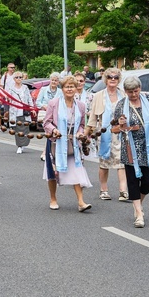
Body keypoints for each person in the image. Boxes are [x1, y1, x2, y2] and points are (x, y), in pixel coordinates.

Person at [112, 75, 149, 228]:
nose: (133, 94)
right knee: (132, 181)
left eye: (136, 91)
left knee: (148, 180)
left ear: (140, 88)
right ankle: (139, 213)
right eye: (130, 92)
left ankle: (138, 203)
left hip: (148, 146)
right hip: (130, 147)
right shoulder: (121, 105)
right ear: (125, 91)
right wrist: (120, 124)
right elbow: (114, 129)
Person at [43, 76, 92, 212]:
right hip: (56, 142)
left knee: (77, 169)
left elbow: (82, 124)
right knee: (52, 172)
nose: (69, 89)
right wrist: (54, 130)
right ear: (62, 89)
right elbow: (46, 122)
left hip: (73, 144)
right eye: (67, 86)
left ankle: (81, 202)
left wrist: (80, 133)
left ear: (76, 89)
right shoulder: (54, 103)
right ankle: (53, 198)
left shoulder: (81, 106)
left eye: (72, 86)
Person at [86, 68, 129, 202]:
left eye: (116, 77)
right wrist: (88, 133)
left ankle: (123, 191)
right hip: (104, 133)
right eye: (110, 77)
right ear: (105, 79)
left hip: (121, 133)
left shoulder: (123, 94)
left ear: (119, 80)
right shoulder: (99, 95)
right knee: (104, 163)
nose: (113, 79)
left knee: (122, 162)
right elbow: (93, 116)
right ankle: (104, 190)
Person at [36, 72, 61, 161]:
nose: (54, 82)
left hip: (56, 116)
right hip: (46, 116)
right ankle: (46, 152)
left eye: (56, 80)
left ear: (58, 82)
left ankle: (48, 152)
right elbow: (38, 102)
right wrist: (44, 106)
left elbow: (61, 104)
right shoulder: (43, 89)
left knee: (52, 134)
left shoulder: (60, 92)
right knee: (49, 134)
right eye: (52, 80)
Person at [8, 71, 33, 154]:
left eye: (20, 77)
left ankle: (24, 144)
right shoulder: (11, 88)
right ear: (14, 79)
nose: (19, 79)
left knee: (25, 128)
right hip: (15, 112)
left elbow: (29, 98)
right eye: (17, 77)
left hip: (24, 111)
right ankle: (19, 145)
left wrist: (32, 108)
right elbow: (8, 99)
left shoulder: (25, 87)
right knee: (17, 129)